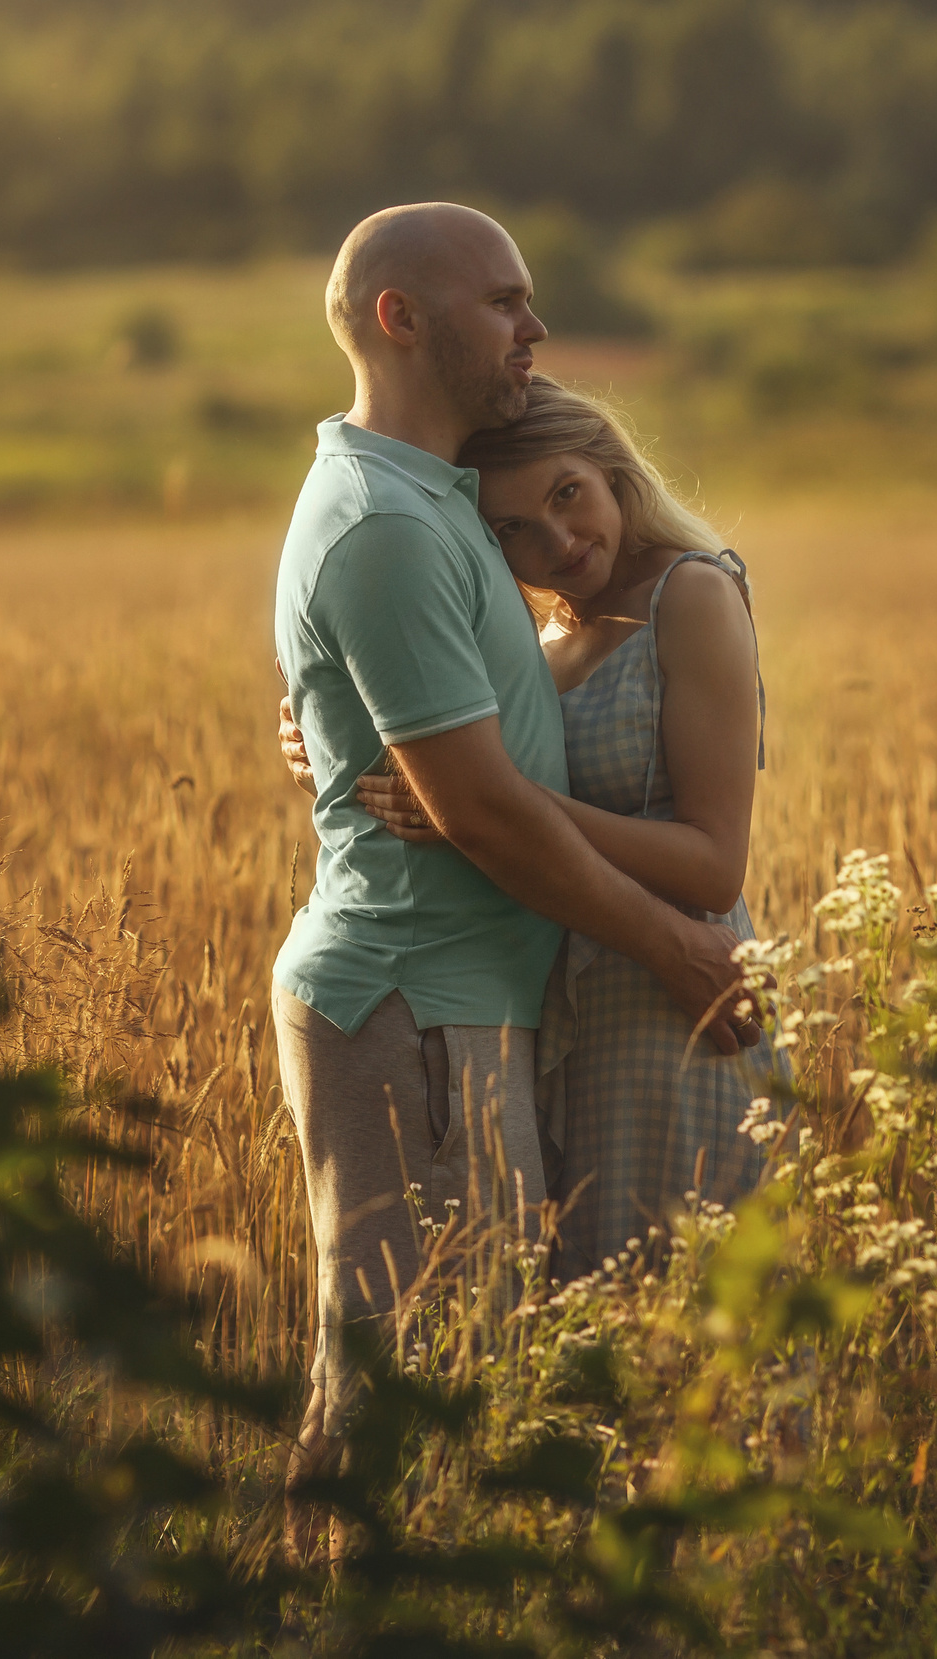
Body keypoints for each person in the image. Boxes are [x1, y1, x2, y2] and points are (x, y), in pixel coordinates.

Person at [270, 203, 752, 1542]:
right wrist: (671, 941)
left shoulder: (436, 508)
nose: (537, 327)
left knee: (451, 1380)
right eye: (504, 301)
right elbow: (480, 804)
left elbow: (461, 741)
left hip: (479, 1005)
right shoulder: (391, 522)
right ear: (399, 319)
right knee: (408, 1394)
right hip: (416, 1001)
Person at [339, 374, 781, 1281]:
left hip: (677, 1012)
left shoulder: (690, 596)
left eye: (567, 495)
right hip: (560, 1020)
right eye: (514, 529)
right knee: (590, 1339)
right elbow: (444, 752)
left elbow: (711, 867)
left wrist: (487, 807)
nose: (559, 540)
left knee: (694, 1332)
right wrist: (322, 740)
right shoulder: (536, 645)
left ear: (613, 470)